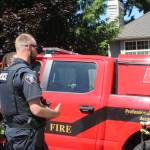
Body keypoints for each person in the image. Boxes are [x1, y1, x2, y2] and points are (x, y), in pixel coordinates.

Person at [0, 33, 61, 150]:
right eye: (36, 47)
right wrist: (54, 113)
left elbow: (2, 106)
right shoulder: (26, 74)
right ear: (28, 47)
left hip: (12, 134)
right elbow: (36, 109)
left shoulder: (5, 73)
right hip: (27, 138)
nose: (37, 51)